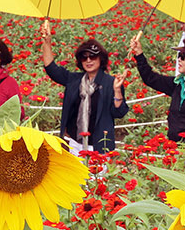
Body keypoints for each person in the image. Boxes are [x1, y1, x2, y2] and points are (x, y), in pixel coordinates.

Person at [40, 23, 128, 154]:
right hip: (74, 143)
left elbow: (119, 112)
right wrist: (47, 42)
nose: (88, 60)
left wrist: (117, 90)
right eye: (84, 57)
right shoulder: (74, 80)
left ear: (101, 59)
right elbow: (52, 69)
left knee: (96, 175)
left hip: (99, 147)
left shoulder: (111, 82)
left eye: (92, 56)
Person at [129, 33, 185, 147]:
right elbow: (150, 78)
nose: (179, 60)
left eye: (183, 56)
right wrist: (139, 53)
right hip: (175, 148)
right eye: (178, 56)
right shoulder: (177, 84)